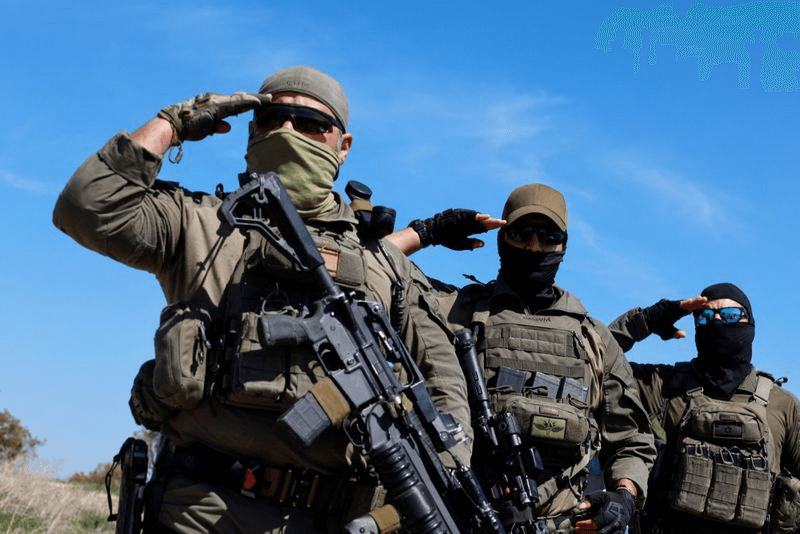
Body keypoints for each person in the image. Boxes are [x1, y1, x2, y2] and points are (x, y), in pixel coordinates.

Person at [52, 66, 472, 533]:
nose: (290, 133)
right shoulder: (201, 225)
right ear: (252, 130)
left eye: (313, 124)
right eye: (275, 119)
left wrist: (438, 481)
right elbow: (85, 206)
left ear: (343, 146)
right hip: (199, 512)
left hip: (338, 519)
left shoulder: (385, 265)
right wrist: (175, 122)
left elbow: (443, 382)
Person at [390, 184, 656, 534]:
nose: (533, 246)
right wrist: (429, 232)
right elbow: (370, 264)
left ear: (564, 245)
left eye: (547, 236)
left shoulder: (595, 339)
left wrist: (624, 496)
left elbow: (631, 440)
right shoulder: (452, 310)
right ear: (502, 237)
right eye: (521, 233)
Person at [609, 283, 800, 534]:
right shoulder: (664, 385)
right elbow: (595, 363)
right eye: (706, 316)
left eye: (730, 315)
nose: (718, 323)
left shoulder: (783, 405)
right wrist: (646, 320)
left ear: (749, 325)